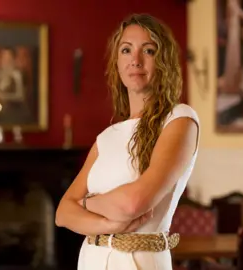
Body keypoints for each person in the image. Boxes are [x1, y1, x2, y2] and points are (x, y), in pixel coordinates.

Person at [55, 13, 200, 270]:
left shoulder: (180, 119)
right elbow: (63, 213)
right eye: (126, 50)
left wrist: (88, 203)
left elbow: (134, 203)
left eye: (148, 50)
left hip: (139, 262)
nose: (135, 60)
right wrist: (108, 225)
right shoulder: (107, 137)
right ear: (117, 63)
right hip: (92, 259)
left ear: (164, 61)